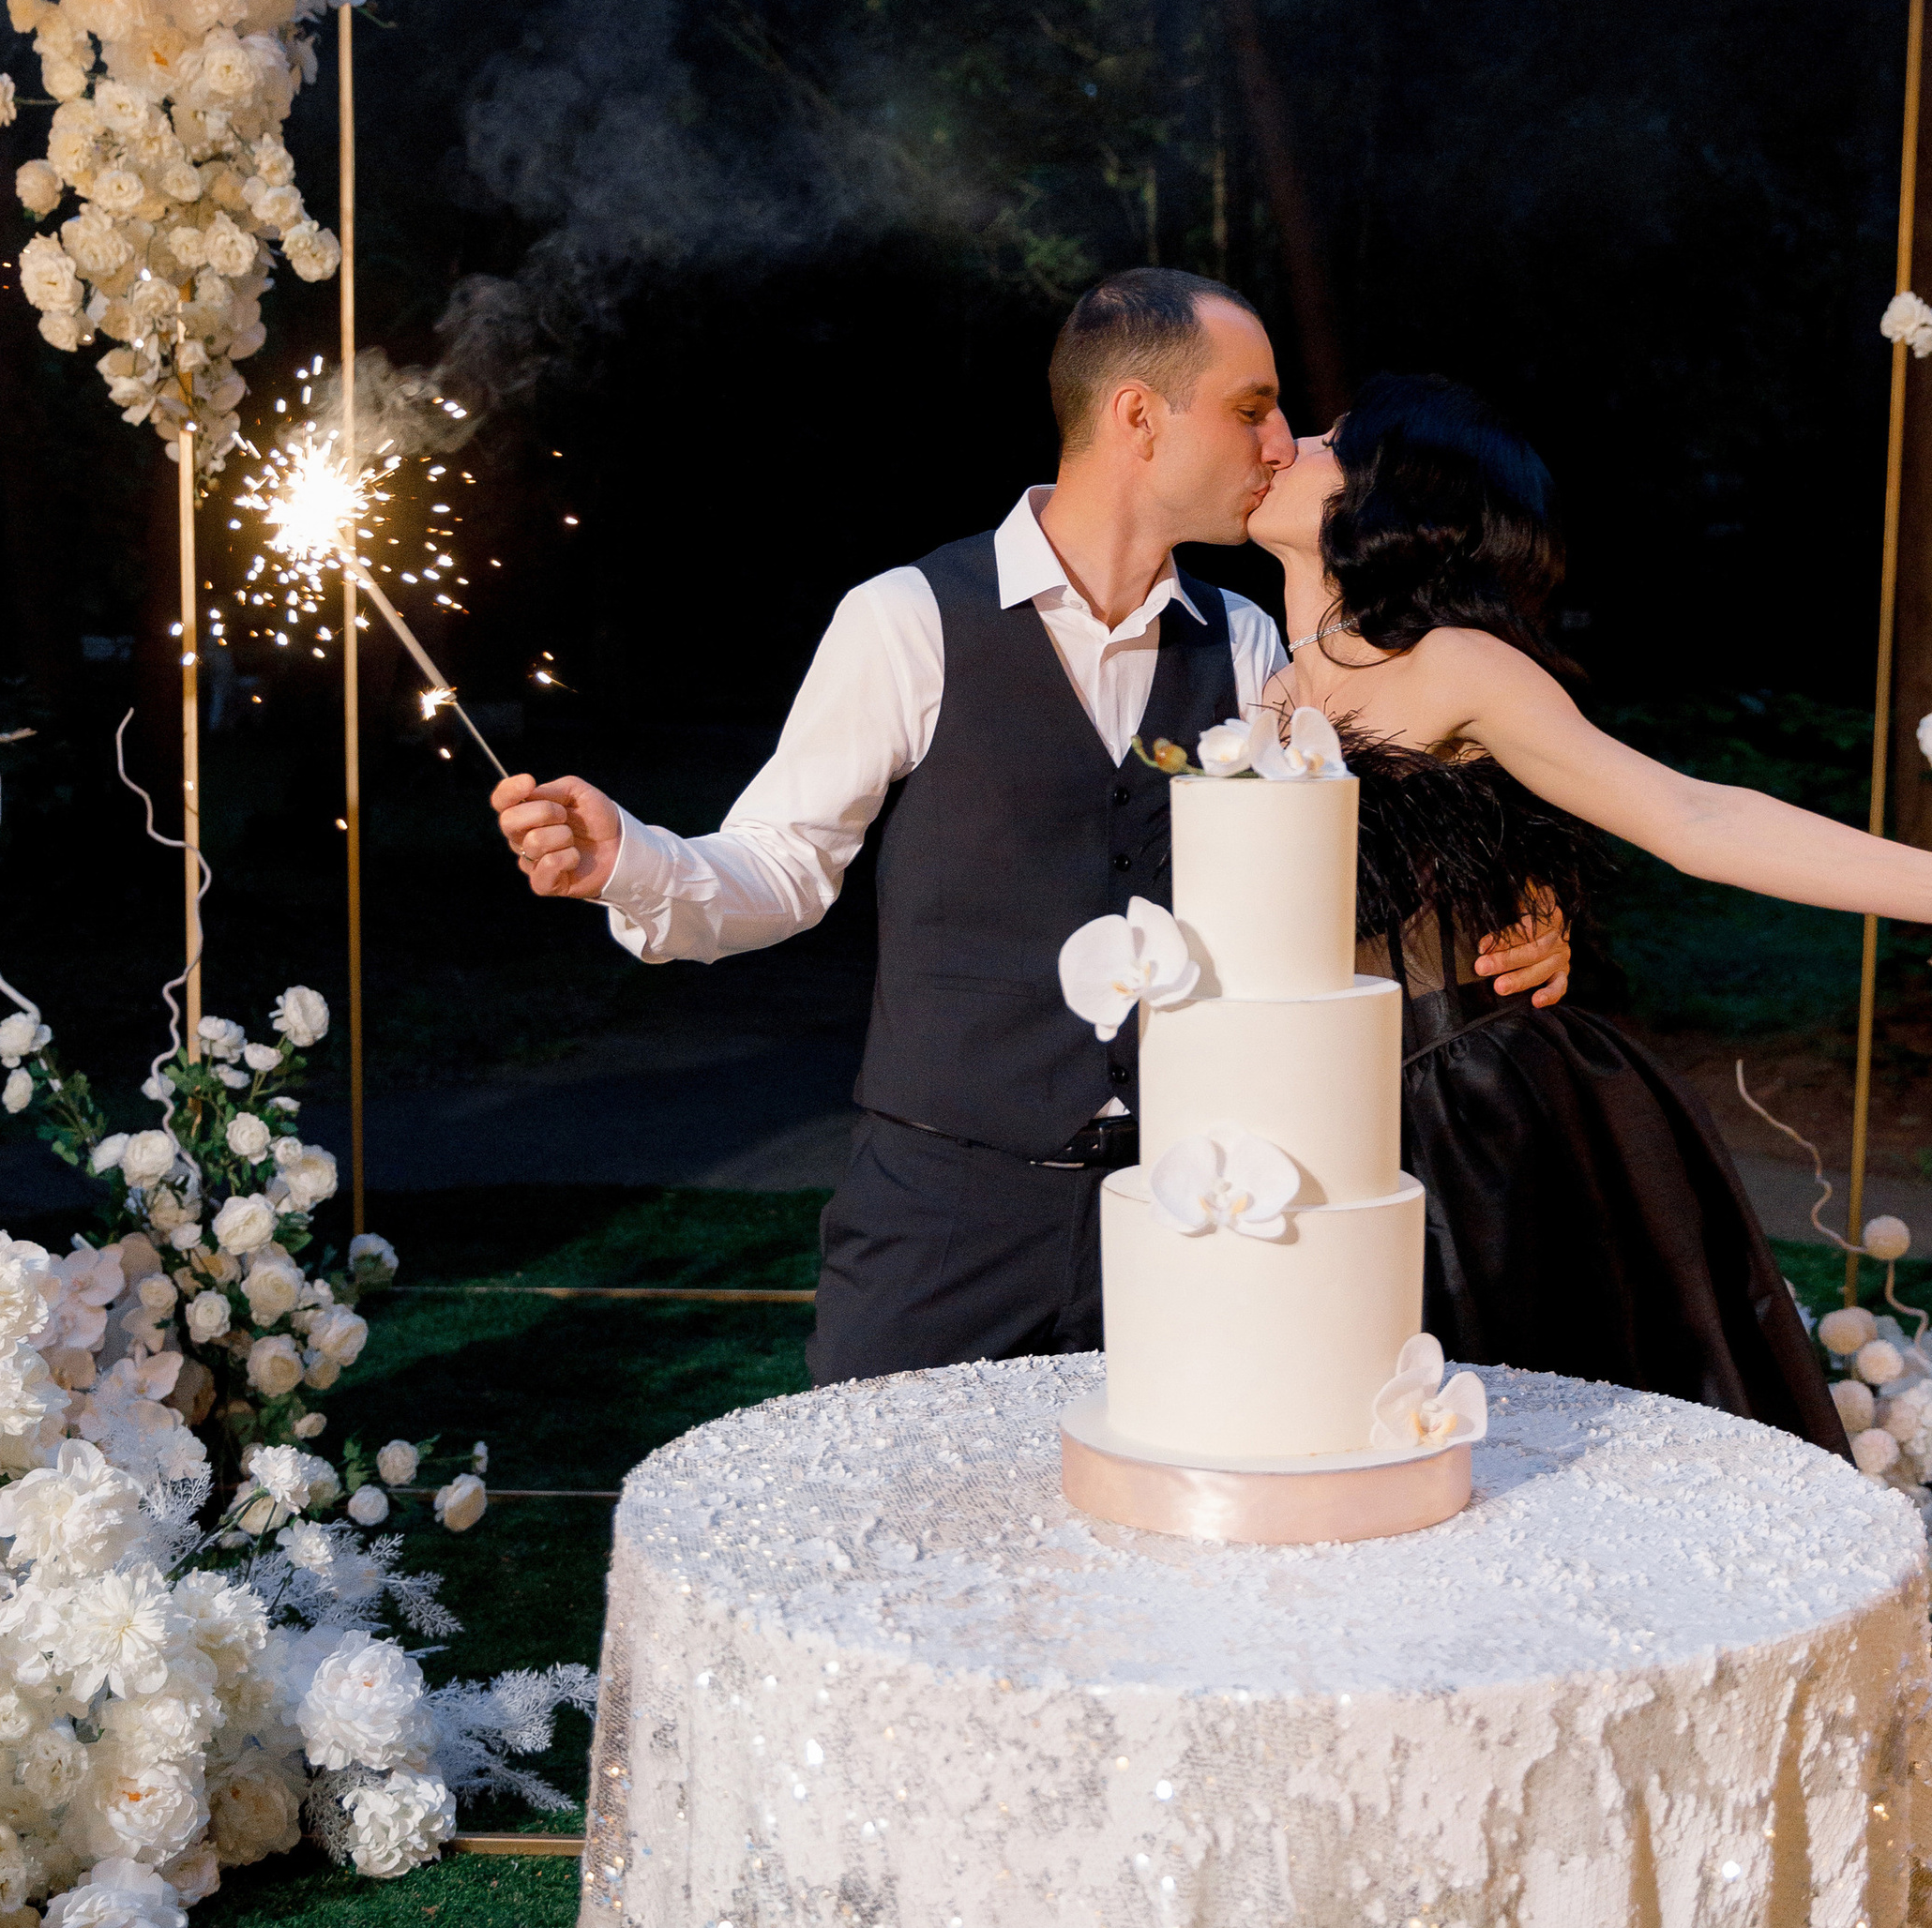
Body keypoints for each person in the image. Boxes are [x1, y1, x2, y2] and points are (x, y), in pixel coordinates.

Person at [1244, 369, 1932, 1928]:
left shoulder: (1455, 673)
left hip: (1495, 1152)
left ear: (1397, 505)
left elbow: (1695, 816)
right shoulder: (1238, 651)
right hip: (1317, 1157)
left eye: (1335, 432)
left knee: (1551, 1603)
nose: (1294, 441)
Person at [486, 273, 1568, 1382]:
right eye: (1251, 409)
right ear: (1139, 418)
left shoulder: (1247, 648)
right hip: (940, 1221)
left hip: (1189, 1211)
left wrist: (1505, 919)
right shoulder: (907, 620)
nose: (1280, 443)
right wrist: (632, 861)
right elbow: (783, 867)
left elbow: (1319, 899)